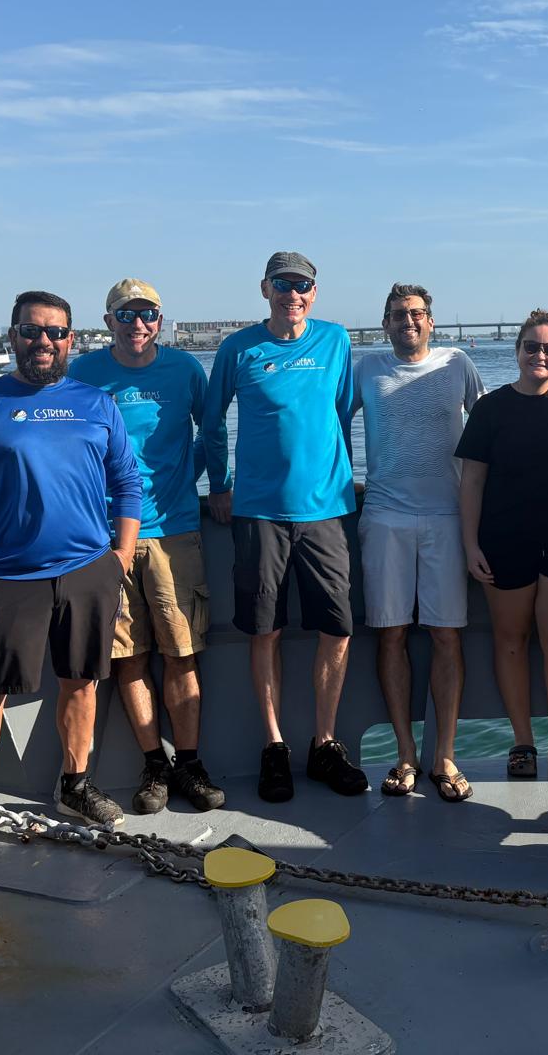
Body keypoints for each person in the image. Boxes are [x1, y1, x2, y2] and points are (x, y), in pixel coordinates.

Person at [0, 290, 141, 862]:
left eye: (55, 332)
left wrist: (119, 558)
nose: (43, 342)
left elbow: (127, 481)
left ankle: (75, 784)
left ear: (72, 338)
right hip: (6, 576)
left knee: (81, 682)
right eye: (31, 331)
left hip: (87, 571)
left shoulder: (96, 403)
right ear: (13, 336)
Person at [201, 252, 368, 802]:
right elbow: (211, 418)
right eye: (281, 284)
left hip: (327, 511)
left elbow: (342, 415)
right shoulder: (238, 348)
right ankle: (274, 745)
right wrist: (219, 483)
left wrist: (347, 478)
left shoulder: (335, 341)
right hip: (258, 513)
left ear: (314, 293)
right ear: (265, 289)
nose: (291, 294)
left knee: (338, 628)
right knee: (264, 630)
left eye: (301, 285)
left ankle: (325, 744)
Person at [68, 277, 229, 815]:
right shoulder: (84, 373)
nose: (139, 323)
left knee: (181, 653)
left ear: (160, 320)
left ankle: (188, 762)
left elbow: (211, 433)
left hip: (174, 529)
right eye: (127, 314)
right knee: (130, 659)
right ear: (108, 320)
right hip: (105, 536)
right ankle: (153, 766)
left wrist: (204, 481)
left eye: (149, 314)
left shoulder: (185, 369)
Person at [351, 283, 484, 803]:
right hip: (383, 513)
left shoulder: (458, 364)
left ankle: (444, 756)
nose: (409, 321)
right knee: (391, 634)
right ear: (385, 324)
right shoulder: (365, 369)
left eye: (417, 314)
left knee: (447, 635)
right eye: (398, 314)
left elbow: (489, 425)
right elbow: (331, 426)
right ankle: (405, 755)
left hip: (448, 516)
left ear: (432, 322)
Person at [457, 310, 548, 780]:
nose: (540, 355)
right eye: (532, 347)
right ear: (517, 351)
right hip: (504, 540)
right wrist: (470, 542)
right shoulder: (491, 408)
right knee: (511, 642)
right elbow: (472, 480)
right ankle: (522, 743)